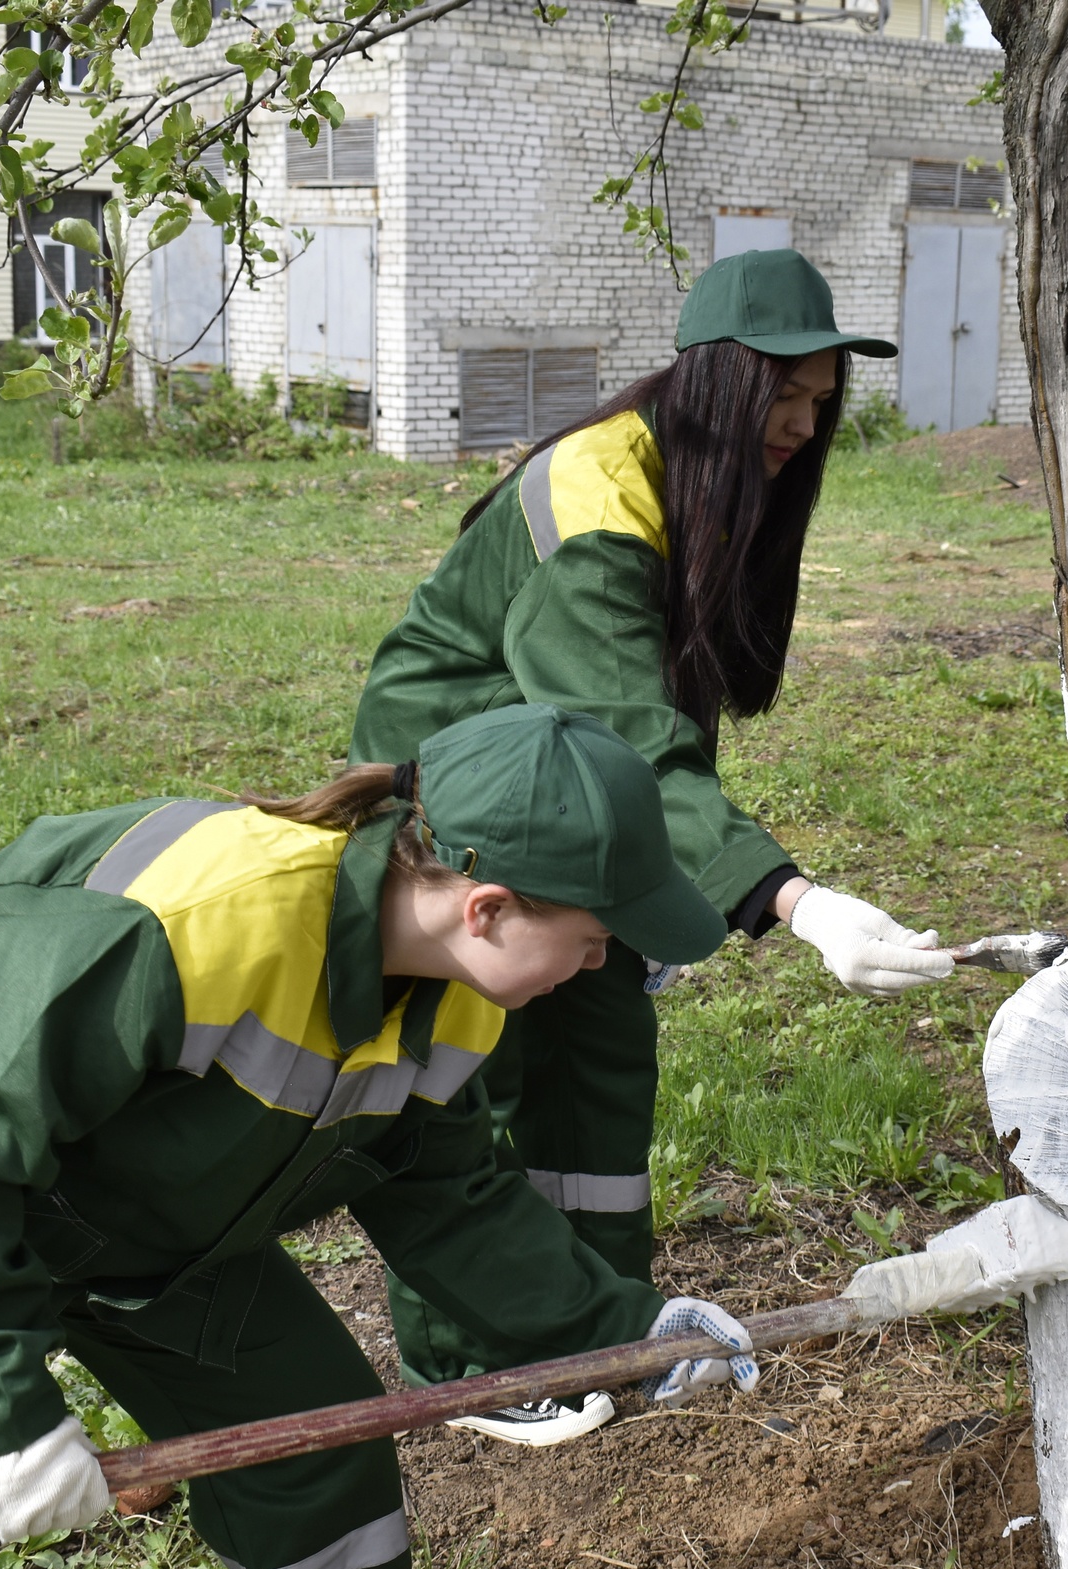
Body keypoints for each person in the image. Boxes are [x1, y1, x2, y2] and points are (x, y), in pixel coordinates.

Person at [0, 703, 763, 1569]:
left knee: (310, 1464)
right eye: (594, 934)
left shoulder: (458, 999)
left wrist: (623, 1333)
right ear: (485, 908)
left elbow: (450, 1201)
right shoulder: (189, 922)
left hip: (149, 1227)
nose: (604, 959)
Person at [350, 247, 957, 1445]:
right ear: (714, 382)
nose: (800, 425)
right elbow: (627, 719)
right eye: (782, 398)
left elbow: (652, 716)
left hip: (570, 777)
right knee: (477, 1059)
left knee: (601, 1039)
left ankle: (599, 1327)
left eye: (820, 403)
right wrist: (788, 899)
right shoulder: (594, 496)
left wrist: (657, 891)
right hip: (470, 792)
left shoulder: (696, 482)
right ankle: (469, 1367)